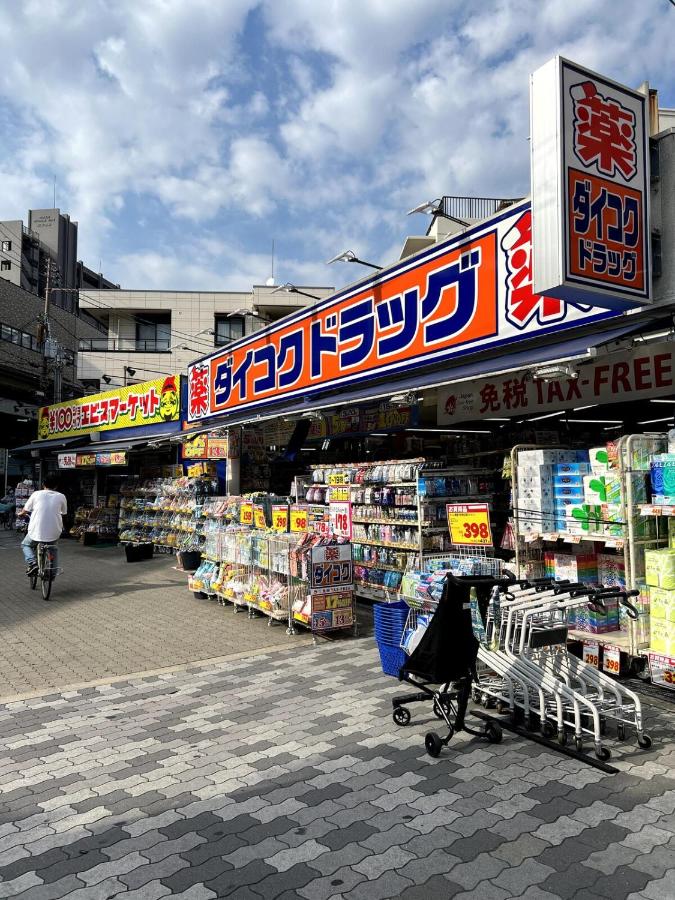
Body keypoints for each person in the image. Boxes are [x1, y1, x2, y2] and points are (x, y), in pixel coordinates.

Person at [19, 475, 67, 576]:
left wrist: (21, 514)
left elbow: (25, 510)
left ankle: (32, 563)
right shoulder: (61, 496)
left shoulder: (36, 494)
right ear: (56, 486)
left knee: (25, 544)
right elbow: (63, 512)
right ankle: (52, 572)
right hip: (54, 531)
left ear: (43, 485)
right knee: (52, 549)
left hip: (36, 531)